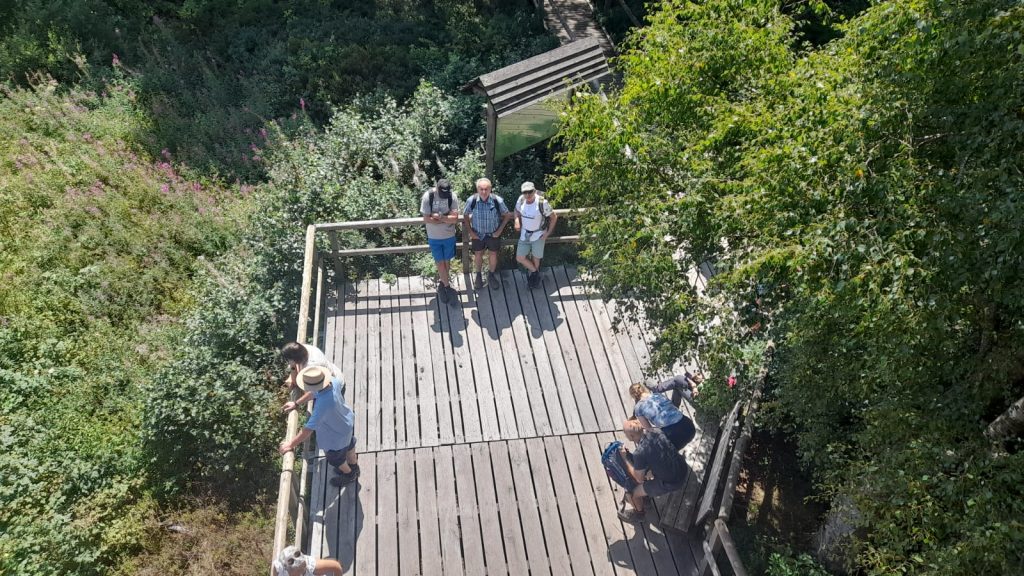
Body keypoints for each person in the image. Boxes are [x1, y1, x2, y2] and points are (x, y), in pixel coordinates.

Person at [278, 366, 359, 487]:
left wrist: (290, 444)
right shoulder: (333, 382)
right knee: (349, 445)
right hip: (346, 423)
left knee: (336, 459)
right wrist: (296, 403)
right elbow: (313, 393)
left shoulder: (322, 405)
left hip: (335, 437)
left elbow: (307, 430)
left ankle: (349, 474)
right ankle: (354, 466)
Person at [617, 419, 689, 523]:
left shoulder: (640, 453)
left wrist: (625, 459)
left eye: (625, 432)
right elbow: (650, 456)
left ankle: (639, 515)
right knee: (646, 472)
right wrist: (629, 455)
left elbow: (639, 478)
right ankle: (646, 498)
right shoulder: (656, 432)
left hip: (672, 482)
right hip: (681, 468)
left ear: (632, 437)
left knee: (632, 492)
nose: (624, 434)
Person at [463, 177, 511, 290]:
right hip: (477, 233)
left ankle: (491, 275)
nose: (484, 192)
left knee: (493, 254)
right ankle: (478, 276)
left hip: (493, 233)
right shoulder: (472, 200)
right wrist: (471, 232)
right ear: (477, 189)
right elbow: (465, 215)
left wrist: (499, 231)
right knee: (478, 254)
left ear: (490, 189)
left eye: (486, 189)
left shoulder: (497, 200)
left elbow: (507, 215)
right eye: (481, 189)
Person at [421, 178, 461, 303]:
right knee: (440, 262)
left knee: (446, 261)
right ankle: (447, 287)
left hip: (449, 235)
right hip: (434, 237)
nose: (444, 196)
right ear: (436, 188)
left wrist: (441, 217)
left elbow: (454, 219)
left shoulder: (452, 196)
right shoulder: (428, 196)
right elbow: (426, 219)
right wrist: (444, 219)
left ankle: (443, 282)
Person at [513, 181, 557, 289]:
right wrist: (516, 221)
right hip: (524, 234)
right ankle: (535, 272)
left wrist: (547, 233)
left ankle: (533, 280)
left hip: (538, 234)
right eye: (525, 192)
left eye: (530, 192)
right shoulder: (521, 199)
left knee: (536, 258)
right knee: (520, 257)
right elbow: (516, 210)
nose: (527, 195)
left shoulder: (542, 202)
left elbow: (553, 217)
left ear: (534, 191)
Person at [629, 382, 696, 450]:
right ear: (643, 389)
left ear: (633, 396)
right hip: (688, 425)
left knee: (668, 455)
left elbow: (649, 430)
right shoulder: (657, 395)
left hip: (673, 433)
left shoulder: (638, 407)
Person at [279, 341, 342, 413]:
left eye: (288, 360)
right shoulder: (302, 349)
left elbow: (312, 392)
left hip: (333, 387)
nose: (287, 361)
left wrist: (295, 403)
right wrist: (293, 366)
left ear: (295, 359)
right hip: (331, 376)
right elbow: (295, 382)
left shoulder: (311, 368)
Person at [274, 545, 344, 576]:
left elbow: (336, 566)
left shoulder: (310, 566)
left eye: (303, 566)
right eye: (298, 570)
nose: (302, 569)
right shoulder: (279, 569)